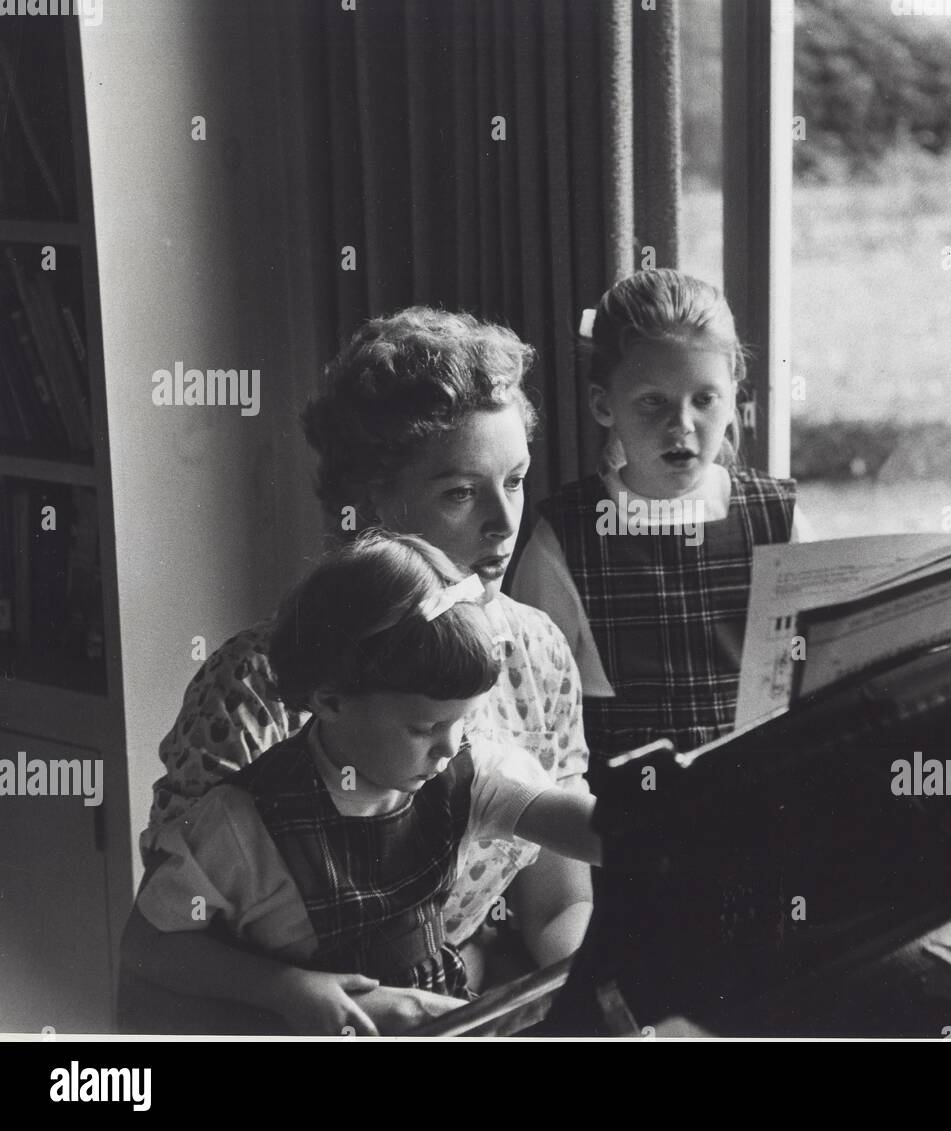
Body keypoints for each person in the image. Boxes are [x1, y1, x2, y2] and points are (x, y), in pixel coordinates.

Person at [126, 308, 592, 1030]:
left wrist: (584, 998)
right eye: (460, 492)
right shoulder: (256, 691)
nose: (505, 523)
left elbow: (559, 903)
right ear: (370, 505)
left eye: (517, 479)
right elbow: (164, 969)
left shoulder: (534, 653)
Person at [129, 533, 601, 1036]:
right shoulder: (240, 823)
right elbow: (150, 945)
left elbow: (581, 824)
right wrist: (282, 987)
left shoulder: (468, 772)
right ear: (330, 701)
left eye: (462, 721)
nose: (448, 747)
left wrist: (665, 832)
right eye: (424, 728)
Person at [511, 268, 811, 773]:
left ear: (734, 393)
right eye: (653, 401)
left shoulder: (779, 518)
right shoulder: (565, 539)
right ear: (604, 404)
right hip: (630, 823)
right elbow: (534, 720)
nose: (682, 425)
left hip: (763, 799)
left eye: (705, 399)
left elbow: (816, 669)